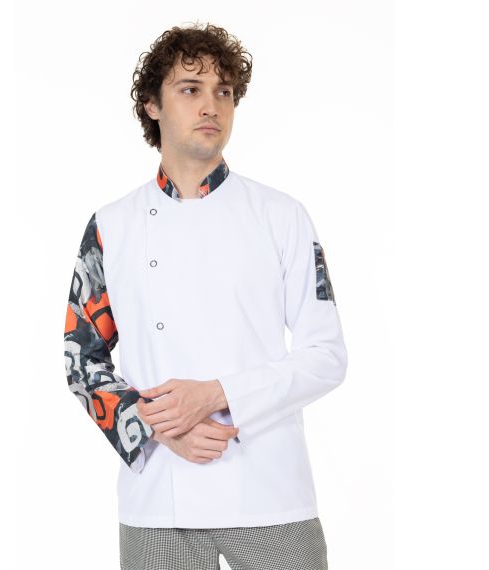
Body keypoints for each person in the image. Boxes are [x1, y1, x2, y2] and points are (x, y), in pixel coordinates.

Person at [63, 21, 348, 570]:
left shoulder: (282, 216)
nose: (211, 105)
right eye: (190, 89)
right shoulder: (111, 226)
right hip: (158, 497)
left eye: (224, 91)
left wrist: (217, 394)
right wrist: (158, 425)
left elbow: (326, 356)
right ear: (152, 105)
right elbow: (83, 360)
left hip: (270, 492)